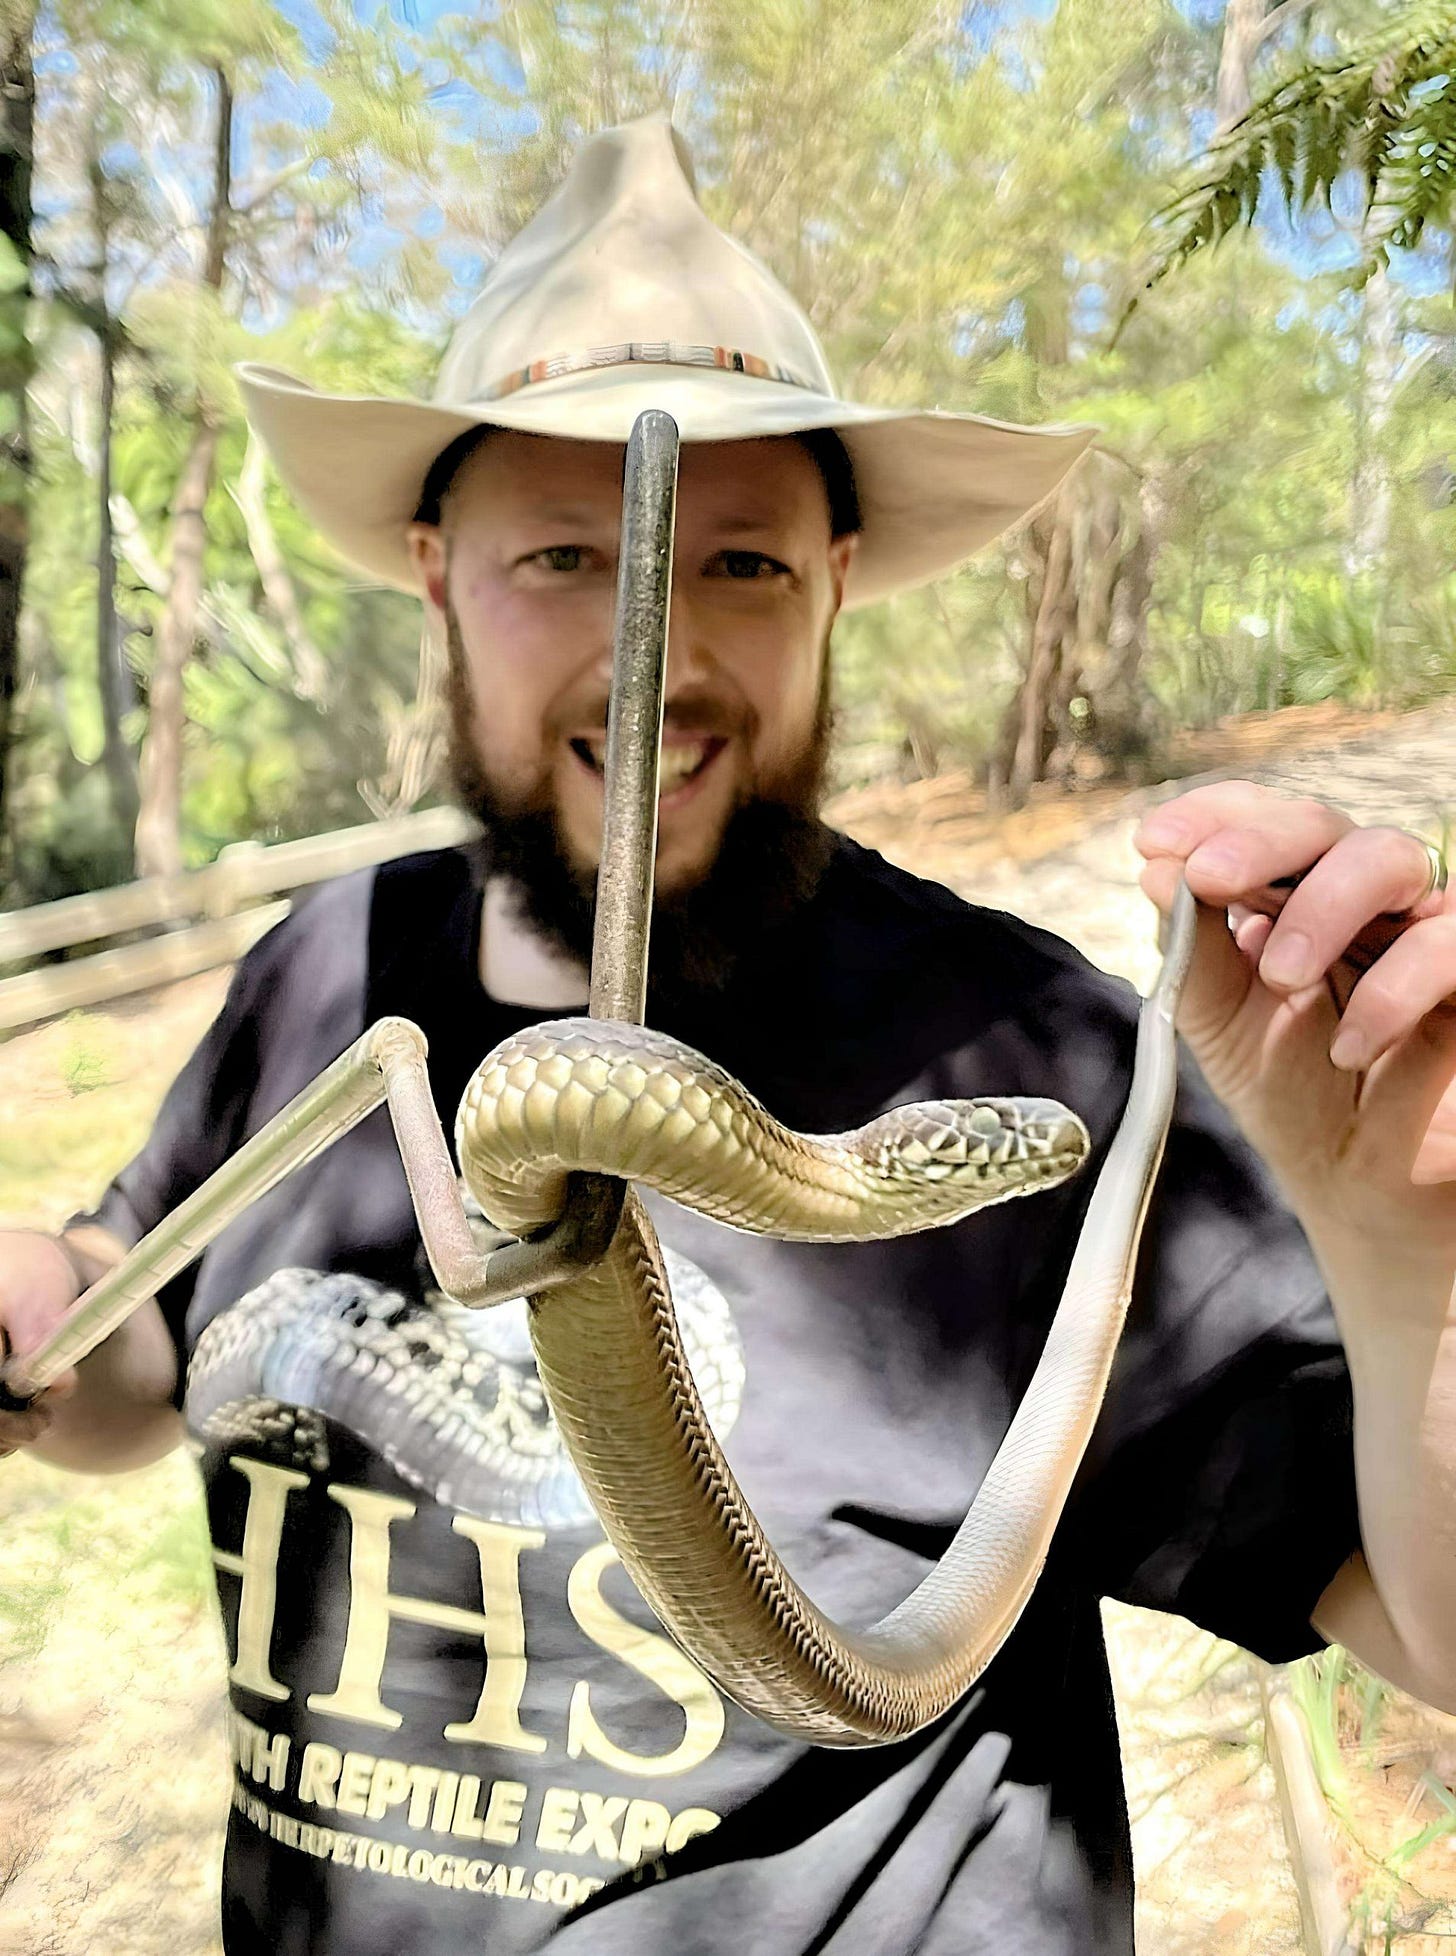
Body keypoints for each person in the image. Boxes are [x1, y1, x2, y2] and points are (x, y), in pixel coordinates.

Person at [2, 115, 1453, 1956]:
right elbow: (127, 1356)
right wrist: (37, 1299)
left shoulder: (1041, 1068)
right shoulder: (325, 964)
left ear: (840, 582)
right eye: (563, 559)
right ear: (436, 573)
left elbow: (1434, 1631)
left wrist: (1420, 1264)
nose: (659, 651)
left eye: (739, 564)